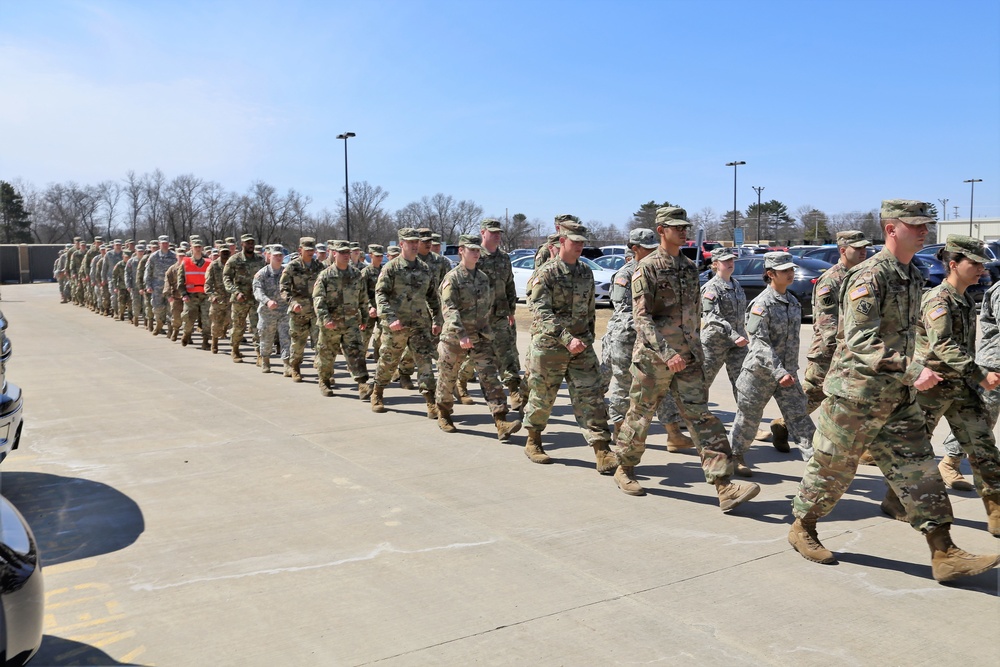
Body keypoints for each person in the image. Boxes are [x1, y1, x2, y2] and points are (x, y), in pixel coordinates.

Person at [789, 200, 1000, 583]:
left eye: (926, 224)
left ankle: (944, 551)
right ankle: (803, 525)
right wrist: (913, 369)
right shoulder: (870, 276)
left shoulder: (913, 273)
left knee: (920, 472)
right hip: (857, 395)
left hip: (897, 397)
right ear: (891, 229)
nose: (924, 230)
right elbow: (858, 339)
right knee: (832, 469)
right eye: (915, 224)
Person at [611, 206, 759, 511]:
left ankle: (723, 485)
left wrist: (694, 352)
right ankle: (624, 467)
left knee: (702, 417)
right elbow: (642, 319)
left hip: (688, 358)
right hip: (655, 359)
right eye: (677, 227)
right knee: (640, 415)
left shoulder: (689, 268)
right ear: (661, 230)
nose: (684, 231)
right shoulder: (647, 267)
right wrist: (667, 353)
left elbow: (694, 316)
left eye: (685, 227)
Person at [881, 236, 1000, 535]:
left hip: (961, 389)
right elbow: (943, 344)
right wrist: (980, 374)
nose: (980, 270)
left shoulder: (965, 299)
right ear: (953, 265)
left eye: (982, 264)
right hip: (931, 387)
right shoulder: (938, 299)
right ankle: (895, 499)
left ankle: (996, 512)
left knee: (984, 447)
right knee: (915, 451)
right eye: (973, 264)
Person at [522, 219, 616, 474]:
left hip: (580, 346)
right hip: (551, 346)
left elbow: (589, 310)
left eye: (582, 243)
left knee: (591, 396)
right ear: (562, 241)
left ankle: (602, 449)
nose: (579, 247)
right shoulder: (546, 273)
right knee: (543, 396)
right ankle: (533, 441)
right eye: (575, 242)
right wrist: (566, 337)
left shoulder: (585, 272)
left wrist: (587, 337)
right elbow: (540, 311)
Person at [601, 228, 693, 451]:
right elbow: (624, 312)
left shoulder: (659, 269)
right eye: (648, 249)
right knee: (625, 384)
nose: (654, 252)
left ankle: (673, 434)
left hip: (652, 339)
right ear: (635, 249)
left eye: (655, 247)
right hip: (626, 337)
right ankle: (619, 429)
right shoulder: (626, 274)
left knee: (665, 385)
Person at [728, 252, 816, 476]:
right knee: (748, 417)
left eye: (791, 269)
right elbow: (759, 344)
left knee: (799, 416)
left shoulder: (793, 302)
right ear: (770, 274)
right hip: (760, 375)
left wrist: (790, 370)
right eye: (785, 270)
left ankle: (818, 464)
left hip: (787, 374)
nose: (791, 273)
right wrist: (778, 371)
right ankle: (735, 456)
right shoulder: (760, 305)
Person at [793, 230, 874, 460]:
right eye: (856, 248)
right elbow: (826, 322)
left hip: (854, 351)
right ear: (842, 251)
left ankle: (867, 447)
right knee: (812, 395)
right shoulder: (831, 280)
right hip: (829, 351)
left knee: (858, 398)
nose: (862, 252)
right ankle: (783, 424)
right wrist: (842, 348)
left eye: (864, 247)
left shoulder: (862, 276)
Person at [435, 234, 522, 440]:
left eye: (477, 250)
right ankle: (444, 413)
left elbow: (487, 308)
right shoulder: (452, 278)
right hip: (455, 338)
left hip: (480, 337)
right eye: (471, 250)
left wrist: (488, 332)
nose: (476, 253)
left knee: (490, 377)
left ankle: (501, 420)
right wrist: (462, 333)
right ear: (461, 251)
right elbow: (449, 309)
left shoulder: (483, 278)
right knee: (448, 377)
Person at [372, 228, 442, 417]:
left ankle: (430, 402)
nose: (413, 245)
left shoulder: (424, 269)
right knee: (388, 361)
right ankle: (377, 392)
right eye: (409, 242)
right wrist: (391, 318)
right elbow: (381, 295)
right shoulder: (391, 268)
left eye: (415, 242)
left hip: (420, 325)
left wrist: (437, 319)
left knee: (425, 364)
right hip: (397, 326)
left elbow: (433, 297)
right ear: (401, 244)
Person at [312, 241, 372, 399]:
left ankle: (362, 383)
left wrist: (364, 318)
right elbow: (318, 300)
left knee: (356, 353)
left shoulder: (356, 275)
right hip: (331, 324)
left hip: (351, 322)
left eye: (348, 253)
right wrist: (325, 319)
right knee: (326, 353)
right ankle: (324, 380)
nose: (346, 255)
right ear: (334, 254)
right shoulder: (325, 275)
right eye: (342, 253)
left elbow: (363, 299)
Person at [700, 247, 748, 401]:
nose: (730, 263)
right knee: (701, 383)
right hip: (715, 343)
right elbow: (711, 316)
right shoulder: (711, 288)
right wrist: (733, 335)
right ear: (715, 264)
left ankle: (745, 421)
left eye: (731, 260)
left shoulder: (736, 284)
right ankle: (690, 417)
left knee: (744, 383)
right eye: (725, 260)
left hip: (737, 345)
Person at [280, 237, 323, 382]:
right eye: (308, 250)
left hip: (316, 312)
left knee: (320, 343)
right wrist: (292, 303)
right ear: (300, 250)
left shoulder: (319, 267)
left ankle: (324, 373)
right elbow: (284, 289)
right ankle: (295, 368)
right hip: (299, 312)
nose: (311, 252)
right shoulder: (292, 267)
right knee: (298, 343)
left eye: (312, 250)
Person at [223, 234, 266, 363]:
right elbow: (226, 278)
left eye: (252, 243)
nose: (250, 245)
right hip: (240, 299)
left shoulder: (260, 260)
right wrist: (235, 292)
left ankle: (259, 354)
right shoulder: (234, 260)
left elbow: (264, 277)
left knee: (258, 327)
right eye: (248, 243)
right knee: (238, 327)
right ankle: (235, 349)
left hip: (255, 299)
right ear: (242, 244)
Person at [253, 246, 291, 374]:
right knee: (266, 337)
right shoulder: (262, 274)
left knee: (286, 337)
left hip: (284, 311)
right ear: (269, 256)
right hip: (267, 312)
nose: (279, 258)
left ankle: (287, 363)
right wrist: (267, 301)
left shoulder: (286, 272)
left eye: (281, 255)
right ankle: (265, 360)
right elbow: (257, 291)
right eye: (276, 255)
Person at [178, 239, 212, 349]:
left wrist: (212, 293)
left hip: (205, 296)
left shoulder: (208, 262)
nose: (197, 249)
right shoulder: (185, 262)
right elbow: (180, 280)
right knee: (188, 318)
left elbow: (213, 280)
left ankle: (206, 340)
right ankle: (186, 334)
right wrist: (183, 294)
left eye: (199, 247)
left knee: (207, 318)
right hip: (190, 296)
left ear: (202, 248)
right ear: (191, 248)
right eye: (195, 247)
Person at [144, 236, 176, 336]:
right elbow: (148, 272)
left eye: (166, 243)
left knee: (171, 309)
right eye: (162, 243)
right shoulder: (153, 256)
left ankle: (170, 330)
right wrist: (148, 285)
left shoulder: (174, 256)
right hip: (157, 287)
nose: (165, 245)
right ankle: (159, 323)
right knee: (158, 308)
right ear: (159, 244)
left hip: (170, 287)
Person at [204, 247, 232, 354]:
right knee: (216, 323)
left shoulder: (232, 265)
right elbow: (207, 284)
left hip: (230, 299)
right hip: (218, 299)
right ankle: (214, 343)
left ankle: (234, 346)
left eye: (227, 253)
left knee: (231, 321)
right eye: (223, 253)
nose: (225, 255)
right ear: (219, 253)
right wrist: (211, 296)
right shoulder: (213, 266)